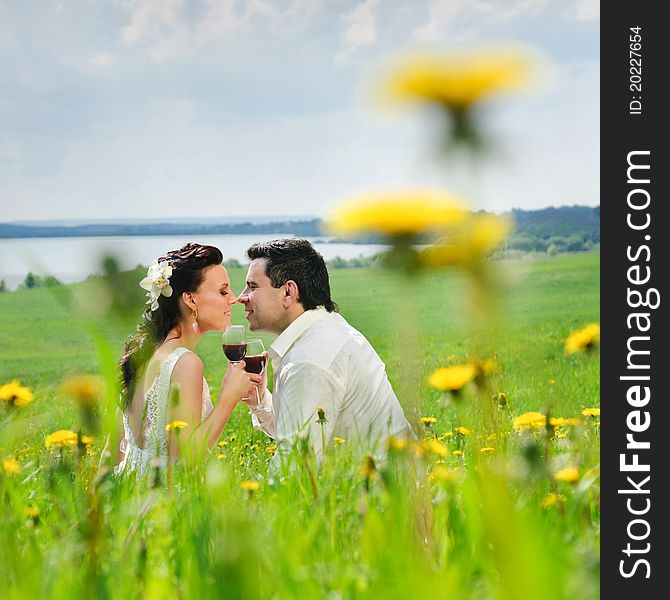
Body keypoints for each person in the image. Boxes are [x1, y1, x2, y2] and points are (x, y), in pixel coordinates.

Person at [238, 238, 414, 468]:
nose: (241, 297)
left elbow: (293, 470)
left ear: (288, 292)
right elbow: (306, 428)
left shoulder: (310, 360)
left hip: (379, 498)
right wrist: (259, 401)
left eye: (252, 286)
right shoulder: (326, 330)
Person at [115, 242, 255, 475]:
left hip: (129, 493)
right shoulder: (185, 362)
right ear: (190, 300)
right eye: (223, 291)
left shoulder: (142, 353)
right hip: (163, 501)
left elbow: (111, 454)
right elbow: (186, 457)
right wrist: (228, 399)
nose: (233, 299)